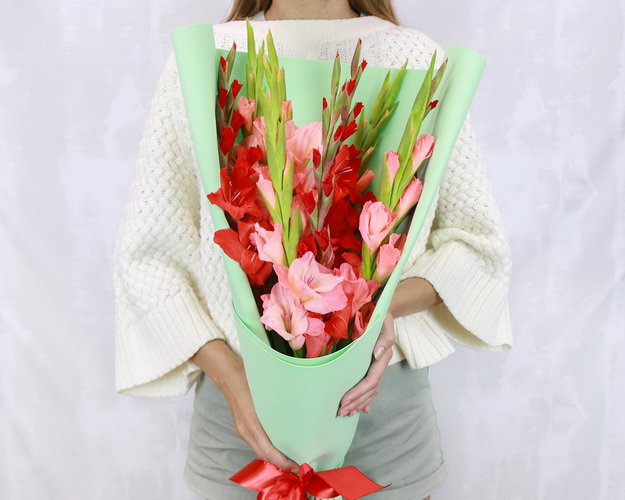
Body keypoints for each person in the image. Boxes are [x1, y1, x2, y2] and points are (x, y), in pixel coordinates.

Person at [112, 1, 513, 498]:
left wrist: (382, 306)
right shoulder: (204, 58)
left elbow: (476, 246)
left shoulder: (417, 59)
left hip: (380, 423)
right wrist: (233, 382)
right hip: (240, 425)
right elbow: (148, 259)